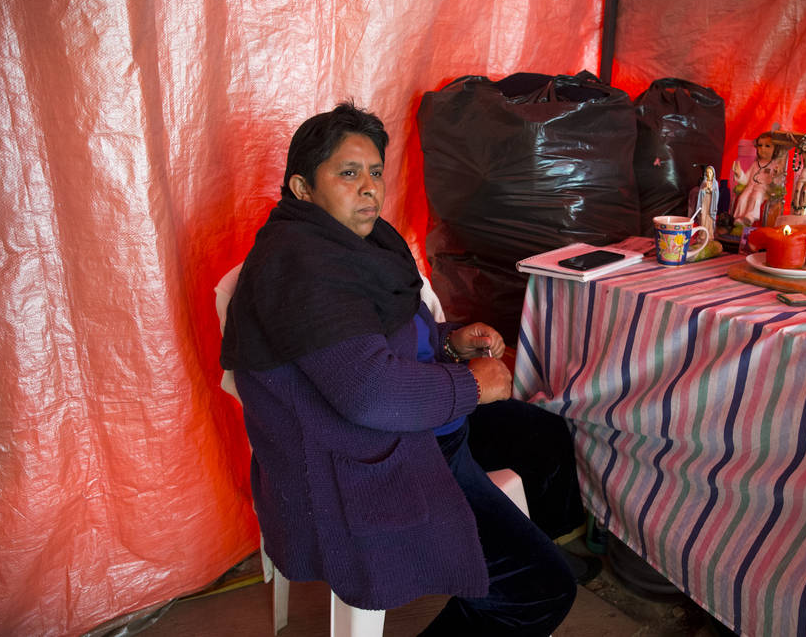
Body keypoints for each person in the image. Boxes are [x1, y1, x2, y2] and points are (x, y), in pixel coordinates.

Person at [220, 102, 578, 635]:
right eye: (348, 173)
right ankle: (512, 584)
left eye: (375, 172)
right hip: (373, 453)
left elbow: (381, 340)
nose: (369, 188)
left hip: (420, 422)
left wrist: (448, 344)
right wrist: (471, 385)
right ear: (302, 188)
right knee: (541, 590)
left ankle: (510, 561)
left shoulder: (359, 245)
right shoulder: (301, 268)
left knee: (544, 438)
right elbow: (370, 392)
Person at [732, 132, 784, 226]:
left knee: (756, 197)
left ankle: (751, 216)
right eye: (760, 145)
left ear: (775, 149)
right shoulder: (755, 164)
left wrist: (776, 175)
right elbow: (746, 180)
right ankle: (739, 218)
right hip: (750, 187)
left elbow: (776, 183)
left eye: (767, 146)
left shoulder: (774, 165)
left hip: (763, 189)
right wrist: (739, 174)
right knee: (742, 198)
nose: (762, 148)